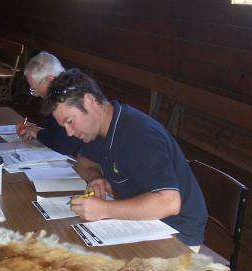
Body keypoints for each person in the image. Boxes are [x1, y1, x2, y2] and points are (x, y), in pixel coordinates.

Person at [42, 69, 208, 250]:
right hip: (142, 221)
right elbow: (83, 160)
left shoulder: (139, 134)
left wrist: (104, 209)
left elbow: (169, 202)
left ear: (89, 102)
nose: (69, 132)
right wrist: (95, 177)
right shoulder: (98, 128)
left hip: (176, 232)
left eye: (70, 121)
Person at [17, 51, 82, 156]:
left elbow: (66, 145)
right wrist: (35, 129)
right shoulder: (62, 88)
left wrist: (37, 133)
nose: (36, 95)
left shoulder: (72, 95)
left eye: (35, 89)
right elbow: (55, 127)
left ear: (50, 80)